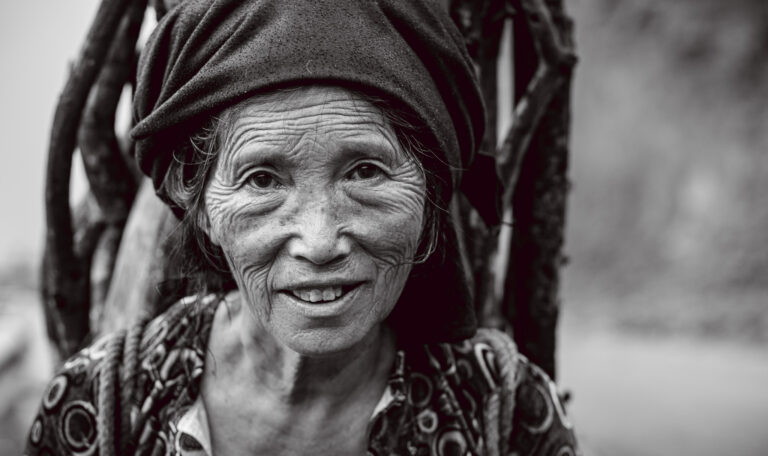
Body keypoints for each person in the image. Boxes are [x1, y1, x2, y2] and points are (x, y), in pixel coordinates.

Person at [26, 0, 579, 455]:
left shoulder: (503, 415)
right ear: (198, 206)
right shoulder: (101, 407)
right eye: (263, 180)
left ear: (430, 191)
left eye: (365, 171)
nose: (318, 243)